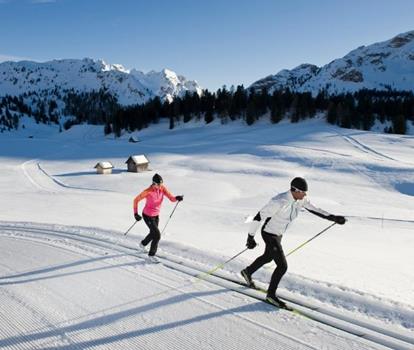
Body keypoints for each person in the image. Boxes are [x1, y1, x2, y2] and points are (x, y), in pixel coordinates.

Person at [241, 177, 346, 308]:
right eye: (303, 192)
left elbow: (316, 210)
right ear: (294, 190)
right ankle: (271, 295)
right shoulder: (279, 201)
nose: (305, 194)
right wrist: (250, 237)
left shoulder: (301, 200)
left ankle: (247, 272)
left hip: (278, 234)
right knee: (282, 266)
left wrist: (333, 218)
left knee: (268, 257)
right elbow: (258, 217)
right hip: (269, 233)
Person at [133, 173, 183, 261]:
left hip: (156, 215)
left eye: (161, 184)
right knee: (157, 236)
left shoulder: (162, 188)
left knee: (153, 233)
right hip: (147, 215)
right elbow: (136, 200)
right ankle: (151, 255)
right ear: (154, 183)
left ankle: (143, 244)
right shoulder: (147, 191)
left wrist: (177, 198)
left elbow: (171, 198)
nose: (161, 186)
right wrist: (136, 214)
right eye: (159, 184)